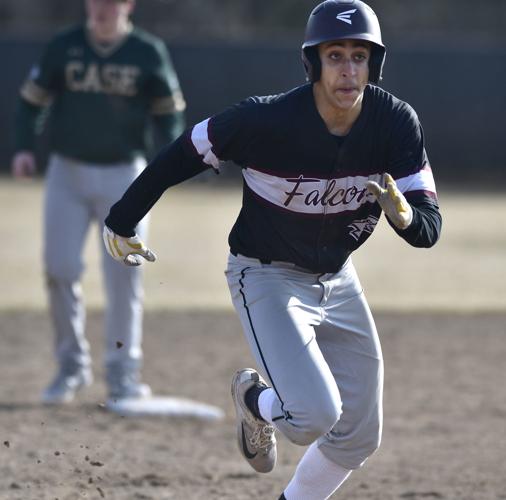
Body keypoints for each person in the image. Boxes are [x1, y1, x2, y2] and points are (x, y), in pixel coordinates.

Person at [102, 0, 442, 497]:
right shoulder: (265, 120)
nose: (348, 70)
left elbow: (428, 227)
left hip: (338, 280)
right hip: (265, 274)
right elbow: (182, 154)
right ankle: (254, 399)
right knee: (312, 417)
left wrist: (406, 217)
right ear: (312, 63)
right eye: (335, 56)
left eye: (359, 57)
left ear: (375, 64)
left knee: (358, 437)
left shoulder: (394, 123)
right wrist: (122, 218)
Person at [11, 0, 186, 405]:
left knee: (126, 270)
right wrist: (23, 146)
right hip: (66, 171)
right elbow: (31, 101)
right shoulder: (64, 45)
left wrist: (172, 160)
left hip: (125, 175)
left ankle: (123, 374)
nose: (101, 8)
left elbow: (168, 115)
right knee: (59, 268)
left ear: (128, 5)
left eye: (110, 1)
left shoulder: (147, 51)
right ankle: (71, 367)